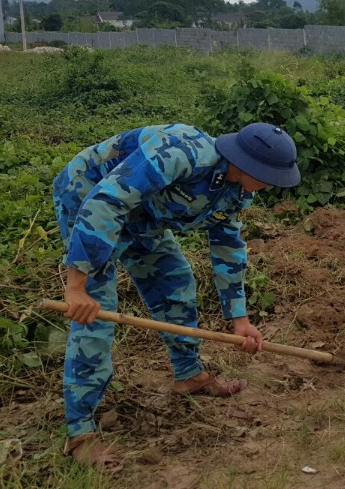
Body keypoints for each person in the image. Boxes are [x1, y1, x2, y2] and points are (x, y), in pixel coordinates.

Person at [53, 122, 300, 470]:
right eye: (270, 177)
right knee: (95, 313)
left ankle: (189, 375)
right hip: (89, 197)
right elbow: (107, 202)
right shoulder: (181, 153)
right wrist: (77, 286)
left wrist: (240, 319)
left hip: (142, 217)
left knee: (175, 282)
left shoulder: (239, 190)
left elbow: (228, 245)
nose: (272, 184)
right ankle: (80, 433)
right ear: (247, 165)